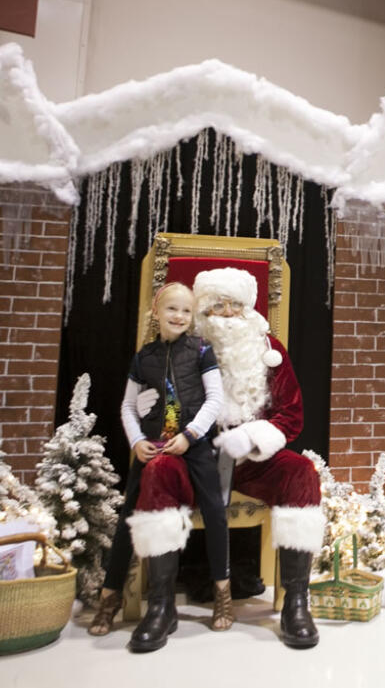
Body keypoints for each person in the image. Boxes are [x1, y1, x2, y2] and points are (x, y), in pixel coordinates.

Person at [87, 282, 231, 651]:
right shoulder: (144, 356)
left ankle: (222, 591)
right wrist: (136, 441)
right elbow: (127, 406)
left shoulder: (201, 349)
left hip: (193, 445)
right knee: (129, 514)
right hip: (154, 447)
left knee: (215, 511)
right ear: (157, 312)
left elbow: (215, 398)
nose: (179, 316)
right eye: (172, 310)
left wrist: (191, 434)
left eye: (186, 310)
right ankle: (111, 595)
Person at [192, 267, 325, 649]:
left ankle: (295, 602)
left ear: (248, 307)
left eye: (236, 304)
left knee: (300, 472)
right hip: (196, 458)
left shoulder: (269, 349)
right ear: (205, 308)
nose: (229, 314)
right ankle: (159, 602)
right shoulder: (187, 346)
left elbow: (291, 414)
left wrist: (250, 436)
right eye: (219, 305)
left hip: (253, 461)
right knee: (158, 472)